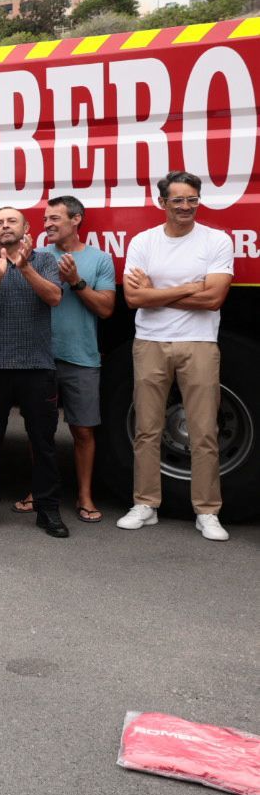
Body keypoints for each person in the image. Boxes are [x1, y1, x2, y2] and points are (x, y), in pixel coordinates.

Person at [119, 172, 233, 541]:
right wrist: (189, 288)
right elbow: (134, 299)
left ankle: (207, 511)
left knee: (204, 432)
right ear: (162, 202)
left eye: (192, 200)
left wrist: (159, 292)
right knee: (147, 430)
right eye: (178, 200)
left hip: (199, 343)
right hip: (149, 341)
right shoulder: (143, 242)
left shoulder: (217, 241)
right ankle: (145, 504)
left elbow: (214, 299)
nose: (186, 207)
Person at [0, 208, 66, 537]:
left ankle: (48, 509)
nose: (5, 226)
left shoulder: (45, 261)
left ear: (26, 228)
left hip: (37, 368)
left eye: (12, 221)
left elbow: (53, 297)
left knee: (44, 442)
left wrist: (23, 269)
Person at [19, 196, 116, 522]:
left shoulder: (100, 259)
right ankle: (39, 489)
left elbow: (105, 309)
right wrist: (29, 265)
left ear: (76, 220)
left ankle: (84, 496)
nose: (47, 224)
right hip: (40, 358)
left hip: (81, 358)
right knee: (39, 430)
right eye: (45, 219)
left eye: (54, 219)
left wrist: (75, 281)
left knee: (84, 431)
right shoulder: (37, 257)